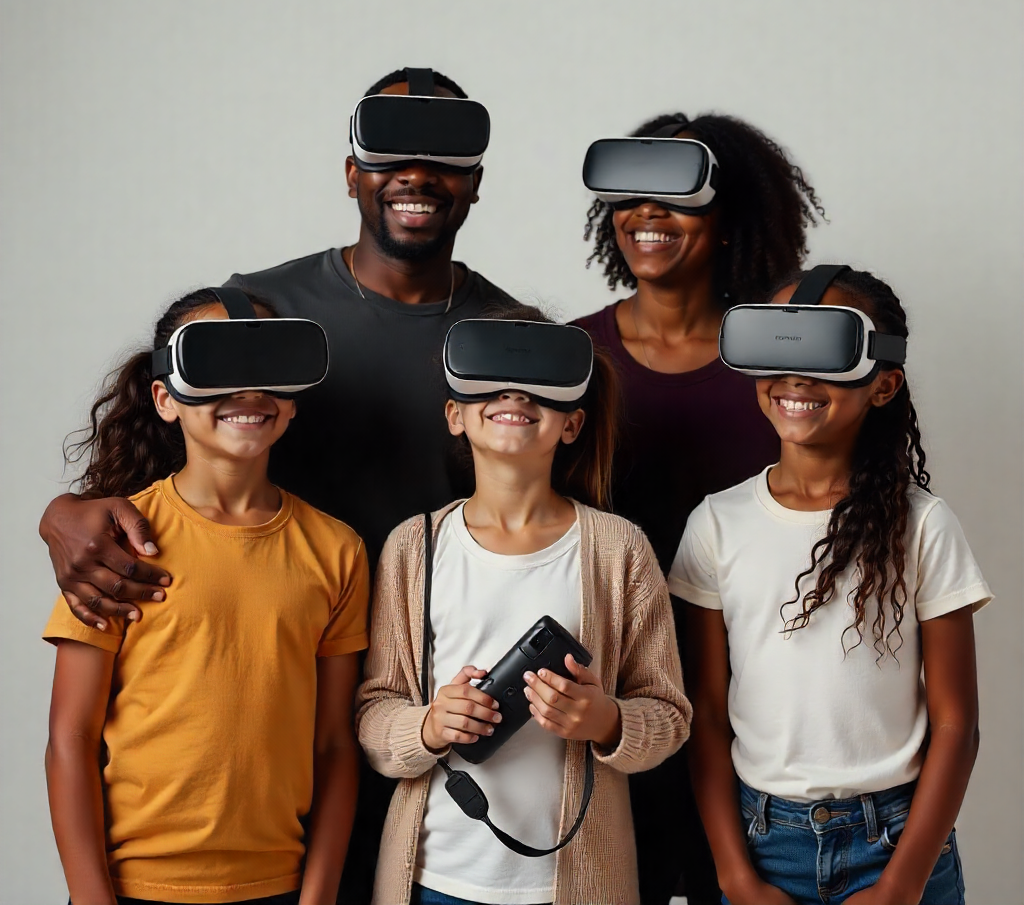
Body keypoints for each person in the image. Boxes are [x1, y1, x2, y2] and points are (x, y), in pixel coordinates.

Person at [38, 68, 515, 903]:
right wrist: (63, 512)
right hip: (273, 737)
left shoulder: (508, 345)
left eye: (443, 152)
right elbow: (168, 469)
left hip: (440, 726)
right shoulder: (263, 318)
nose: (416, 173)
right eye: (389, 147)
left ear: (475, 179)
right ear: (350, 171)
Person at [672, 269, 990, 905]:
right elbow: (704, 713)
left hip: (898, 843)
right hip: (761, 841)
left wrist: (902, 884)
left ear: (884, 384)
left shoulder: (923, 525)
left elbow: (957, 723)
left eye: (825, 352)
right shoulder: (716, 524)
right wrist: (735, 876)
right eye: (780, 347)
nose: (795, 377)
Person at [44, 288, 369, 905]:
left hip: (279, 886)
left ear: (293, 402)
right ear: (166, 398)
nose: (248, 391)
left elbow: (332, 744)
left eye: (268, 367)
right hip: (134, 886)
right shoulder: (117, 543)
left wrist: (319, 895)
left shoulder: (336, 551)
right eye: (218, 365)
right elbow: (70, 739)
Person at [356, 309, 691, 905]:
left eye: (539, 383)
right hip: (434, 878)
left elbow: (670, 717)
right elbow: (374, 715)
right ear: (454, 415)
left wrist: (606, 721)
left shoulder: (619, 550)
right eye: (491, 380)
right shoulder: (414, 547)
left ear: (571, 423)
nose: (515, 393)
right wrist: (429, 725)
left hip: (575, 883)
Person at [573, 111, 823, 905]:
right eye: (629, 195)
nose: (647, 214)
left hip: (759, 720)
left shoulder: (785, 366)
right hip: (608, 710)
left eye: (677, 195)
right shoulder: (570, 357)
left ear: (730, 216)